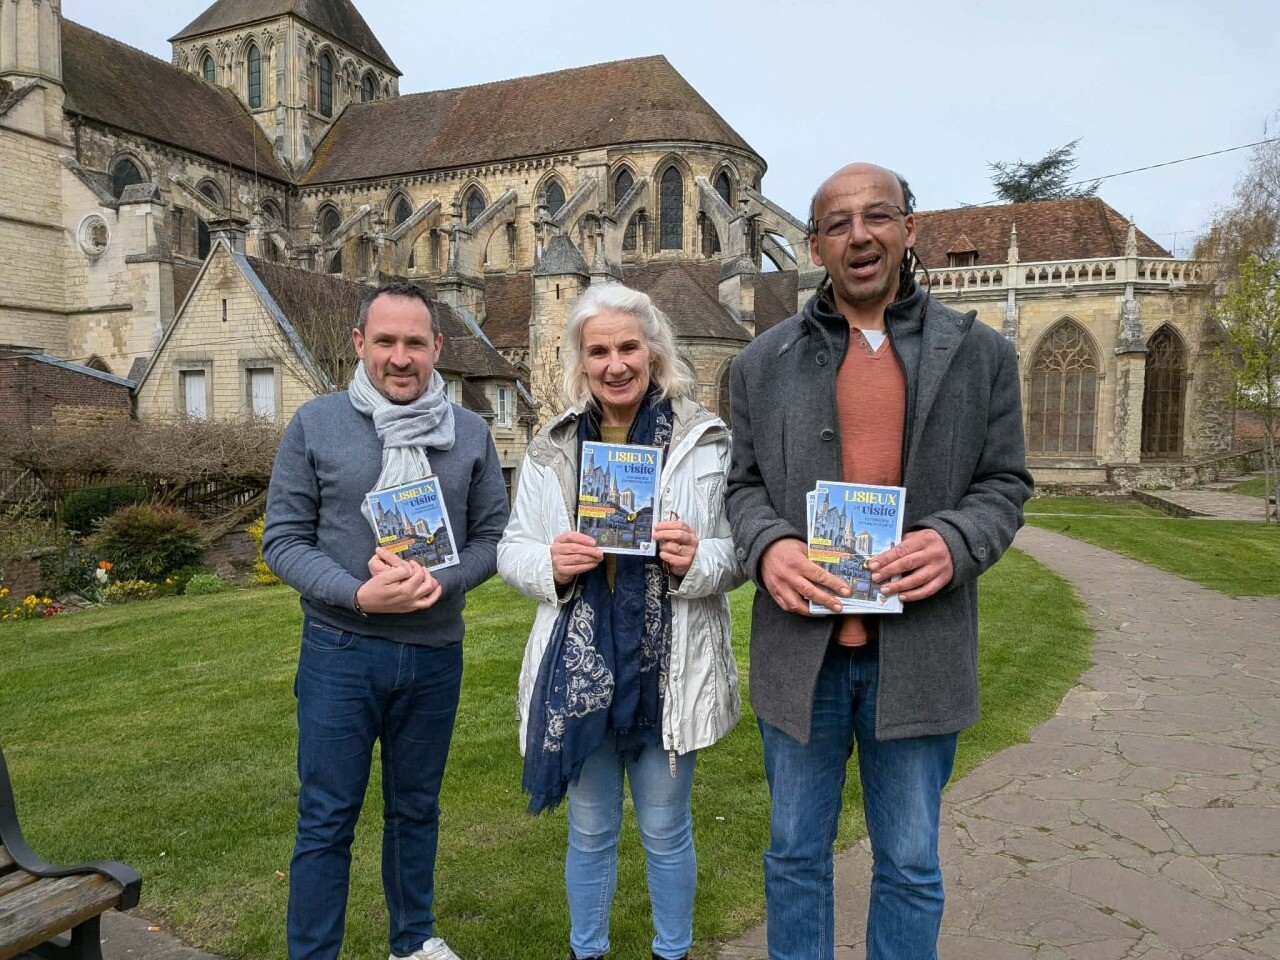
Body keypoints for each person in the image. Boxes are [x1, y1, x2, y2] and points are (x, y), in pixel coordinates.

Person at [726, 163, 1034, 960]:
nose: (859, 235)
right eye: (838, 223)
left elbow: (1005, 484)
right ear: (815, 244)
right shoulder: (760, 362)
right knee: (795, 856)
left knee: (909, 861)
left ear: (908, 228)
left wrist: (958, 540)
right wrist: (769, 547)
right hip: (804, 660)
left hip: (920, 655)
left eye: (878, 216)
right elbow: (743, 489)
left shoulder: (982, 355)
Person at [263, 281, 510, 960]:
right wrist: (355, 594)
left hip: (433, 655)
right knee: (327, 818)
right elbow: (282, 540)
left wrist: (446, 578)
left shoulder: (469, 433)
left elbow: (493, 537)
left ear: (437, 347)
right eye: (385, 342)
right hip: (341, 650)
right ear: (359, 344)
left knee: (415, 810)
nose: (400, 358)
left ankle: (413, 942)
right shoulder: (317, 423)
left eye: (414, 343)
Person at [498, 282, 743, 960]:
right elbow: (511, 550)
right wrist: (550, 562)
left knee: (665, 828)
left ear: (654, 350)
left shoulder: (705, 440)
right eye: (599, 350)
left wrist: (698, 558)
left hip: (669, 666)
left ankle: (673, 951)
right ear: (581, 360)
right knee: (590, 829)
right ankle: (589, 951)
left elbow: (740, 550)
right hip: (581, 670)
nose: (615, 364)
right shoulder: (553, 446)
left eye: (628, 347)